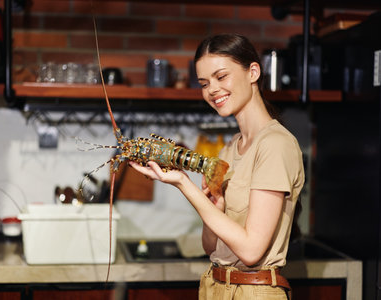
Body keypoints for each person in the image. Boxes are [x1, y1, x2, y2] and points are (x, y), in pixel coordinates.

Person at [129, 33, 304, 300]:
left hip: (254, 292)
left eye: (221, 77)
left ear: (253, 72)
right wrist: (216, 208)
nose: (212, 90)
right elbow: (210, 245)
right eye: (204, 83)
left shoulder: (276, 144)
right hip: (216, 287)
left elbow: (251, 251)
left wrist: (183, 183)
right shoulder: (227, 150)